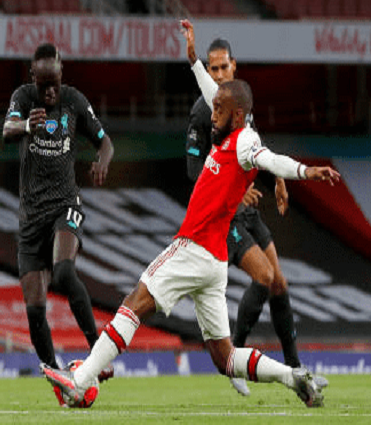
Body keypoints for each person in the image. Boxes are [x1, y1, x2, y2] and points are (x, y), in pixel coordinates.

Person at [41, 23, 339, 408]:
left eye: (219, 110)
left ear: (238, 113)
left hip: (194, 247)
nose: (211, 113)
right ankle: (293, 376)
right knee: (225, 357)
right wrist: (193, 59)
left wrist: (304, 171)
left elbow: (270, 158)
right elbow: (212, 93)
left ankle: (79, 381)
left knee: (136, 301)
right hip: (213, 262)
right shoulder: (229, 129)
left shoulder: (245, 140)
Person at [184, 28, 327, 396]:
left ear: (234, 66)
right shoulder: (206, 109)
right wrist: (233, 189)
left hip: (248, 209)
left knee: (279, 282)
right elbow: (193, 170)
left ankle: (297, 370)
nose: (217, 76)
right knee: (263, 277)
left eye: (222, 68)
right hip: (224, 214)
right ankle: (234, 359)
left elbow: (254, 150)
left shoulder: (240, 105)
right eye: (212, 69)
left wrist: (277, 179)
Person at [2, 43, 115, 401]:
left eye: (55, 84)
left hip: (66, 205)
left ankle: (98, 351)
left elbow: (105, 141)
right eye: (43, 85)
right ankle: (60, 382)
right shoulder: (22, 98)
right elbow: (6, 130)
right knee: (35, 309)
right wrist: (24, 126)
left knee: (64, 273)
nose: (50, 92)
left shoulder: (74, 102)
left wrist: (102, 159)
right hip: (31, 217)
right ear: (33, 78)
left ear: (61, 76)